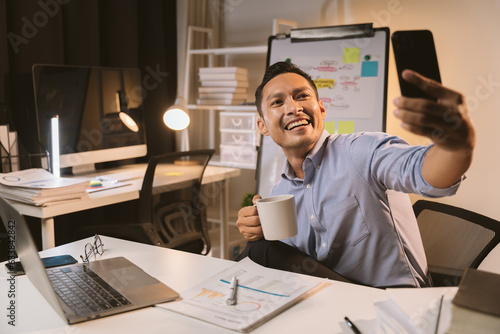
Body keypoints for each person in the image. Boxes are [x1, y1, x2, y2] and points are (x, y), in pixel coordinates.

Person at [235, 61, 475, 288]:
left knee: (259, 252)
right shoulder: (280, 193)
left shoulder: (361, 151)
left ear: (321, 109)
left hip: (393, 304)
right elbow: (295, 264)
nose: (293, 108)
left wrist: (455, 147)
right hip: (329, 302)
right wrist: (257, 227)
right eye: (277, 102)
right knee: (260, 249)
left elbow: (423, 172)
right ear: (263, 126)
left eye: (302, 96)